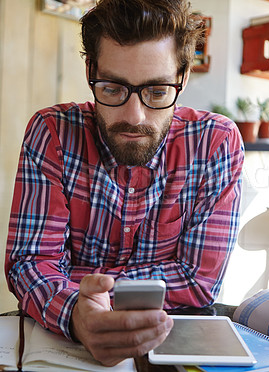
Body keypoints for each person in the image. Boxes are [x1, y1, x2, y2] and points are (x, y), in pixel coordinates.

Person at [4, 0, 244, 366]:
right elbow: (30, 262)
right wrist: (76, 314)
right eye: (113, 89)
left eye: (157, 92)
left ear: (183, 76)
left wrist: (85, 292)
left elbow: (198, 281)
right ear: (90, 70)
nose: (134, 117)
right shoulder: (52, 131)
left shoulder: (216, 143)